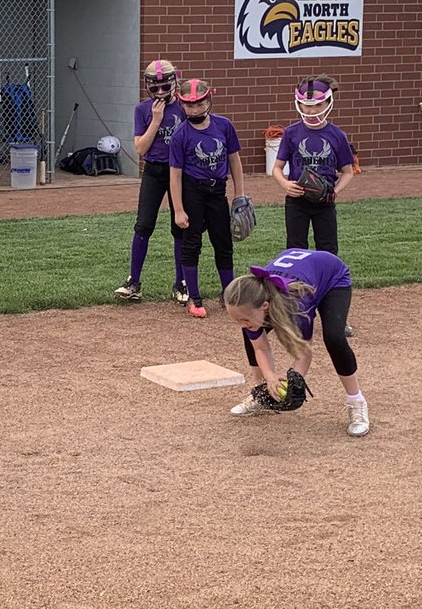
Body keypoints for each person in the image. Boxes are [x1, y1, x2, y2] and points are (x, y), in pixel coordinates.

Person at [223, 248, 369, 437]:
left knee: (334, 337)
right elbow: (260, 347)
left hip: (332, 277)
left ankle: (356, 401)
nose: (242, 324)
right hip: (302, 274)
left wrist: (295, 379)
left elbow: (304, 352)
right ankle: (263, 393)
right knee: (250, 333)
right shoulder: (255, 302)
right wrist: (271, 378)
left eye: (244, 319)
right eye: (237, 320)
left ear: (265, 306)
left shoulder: (296, 305)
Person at [168, 77, 246, 318]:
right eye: (190, 105)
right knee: (192, 243)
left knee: (223, 242)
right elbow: (175, 176)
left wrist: (239, 195)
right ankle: (194, 296)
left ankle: (228, 293)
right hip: (193, 191)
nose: (196, 109)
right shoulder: (180, 135)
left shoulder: (223, 126)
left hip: (217, 191)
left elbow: (234, 160)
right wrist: (179, 209)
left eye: (200, 104)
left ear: (209, 100)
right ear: (182, 106)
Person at [113, 59, 188, 305]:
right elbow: (140, 148)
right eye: (154, 89)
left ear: (175, 82)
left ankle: (181, 282)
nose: (160, 93)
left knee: (181, 226)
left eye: (165, 87)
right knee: (143, 225)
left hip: (180, 172)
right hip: (154, 171)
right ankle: (133, 281)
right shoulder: (143, 110)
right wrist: (156, 120)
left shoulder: (185, 108)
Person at [272, 75, 355, 257]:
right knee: (295, 248)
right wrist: (286, 184)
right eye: (308, 105)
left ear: (328, 103)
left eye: (318, 105)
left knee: (328, 248)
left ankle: (328, 284)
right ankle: (296, 285)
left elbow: (348, 172)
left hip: (324, 203)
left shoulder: (337, 135)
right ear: (300, 104)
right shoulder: (291, 133)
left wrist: (335, 190)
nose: (312, 111)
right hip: (297, 201)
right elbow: (277, 168)